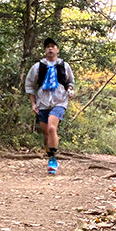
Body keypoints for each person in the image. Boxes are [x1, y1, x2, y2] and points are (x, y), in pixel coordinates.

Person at [25, 39, 75, 175]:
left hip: (59, 101)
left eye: (53, 47)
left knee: (52, 128)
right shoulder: (37, 67)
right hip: (43, 103)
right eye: (47, 47)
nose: (50, 49)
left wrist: (70, 89)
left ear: (57, 50)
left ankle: (53, 160)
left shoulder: (64, 66)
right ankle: (49, 156)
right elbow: (30, 86)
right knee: (47, 133)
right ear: (45, 50)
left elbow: (71, 81)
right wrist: (33, 104)